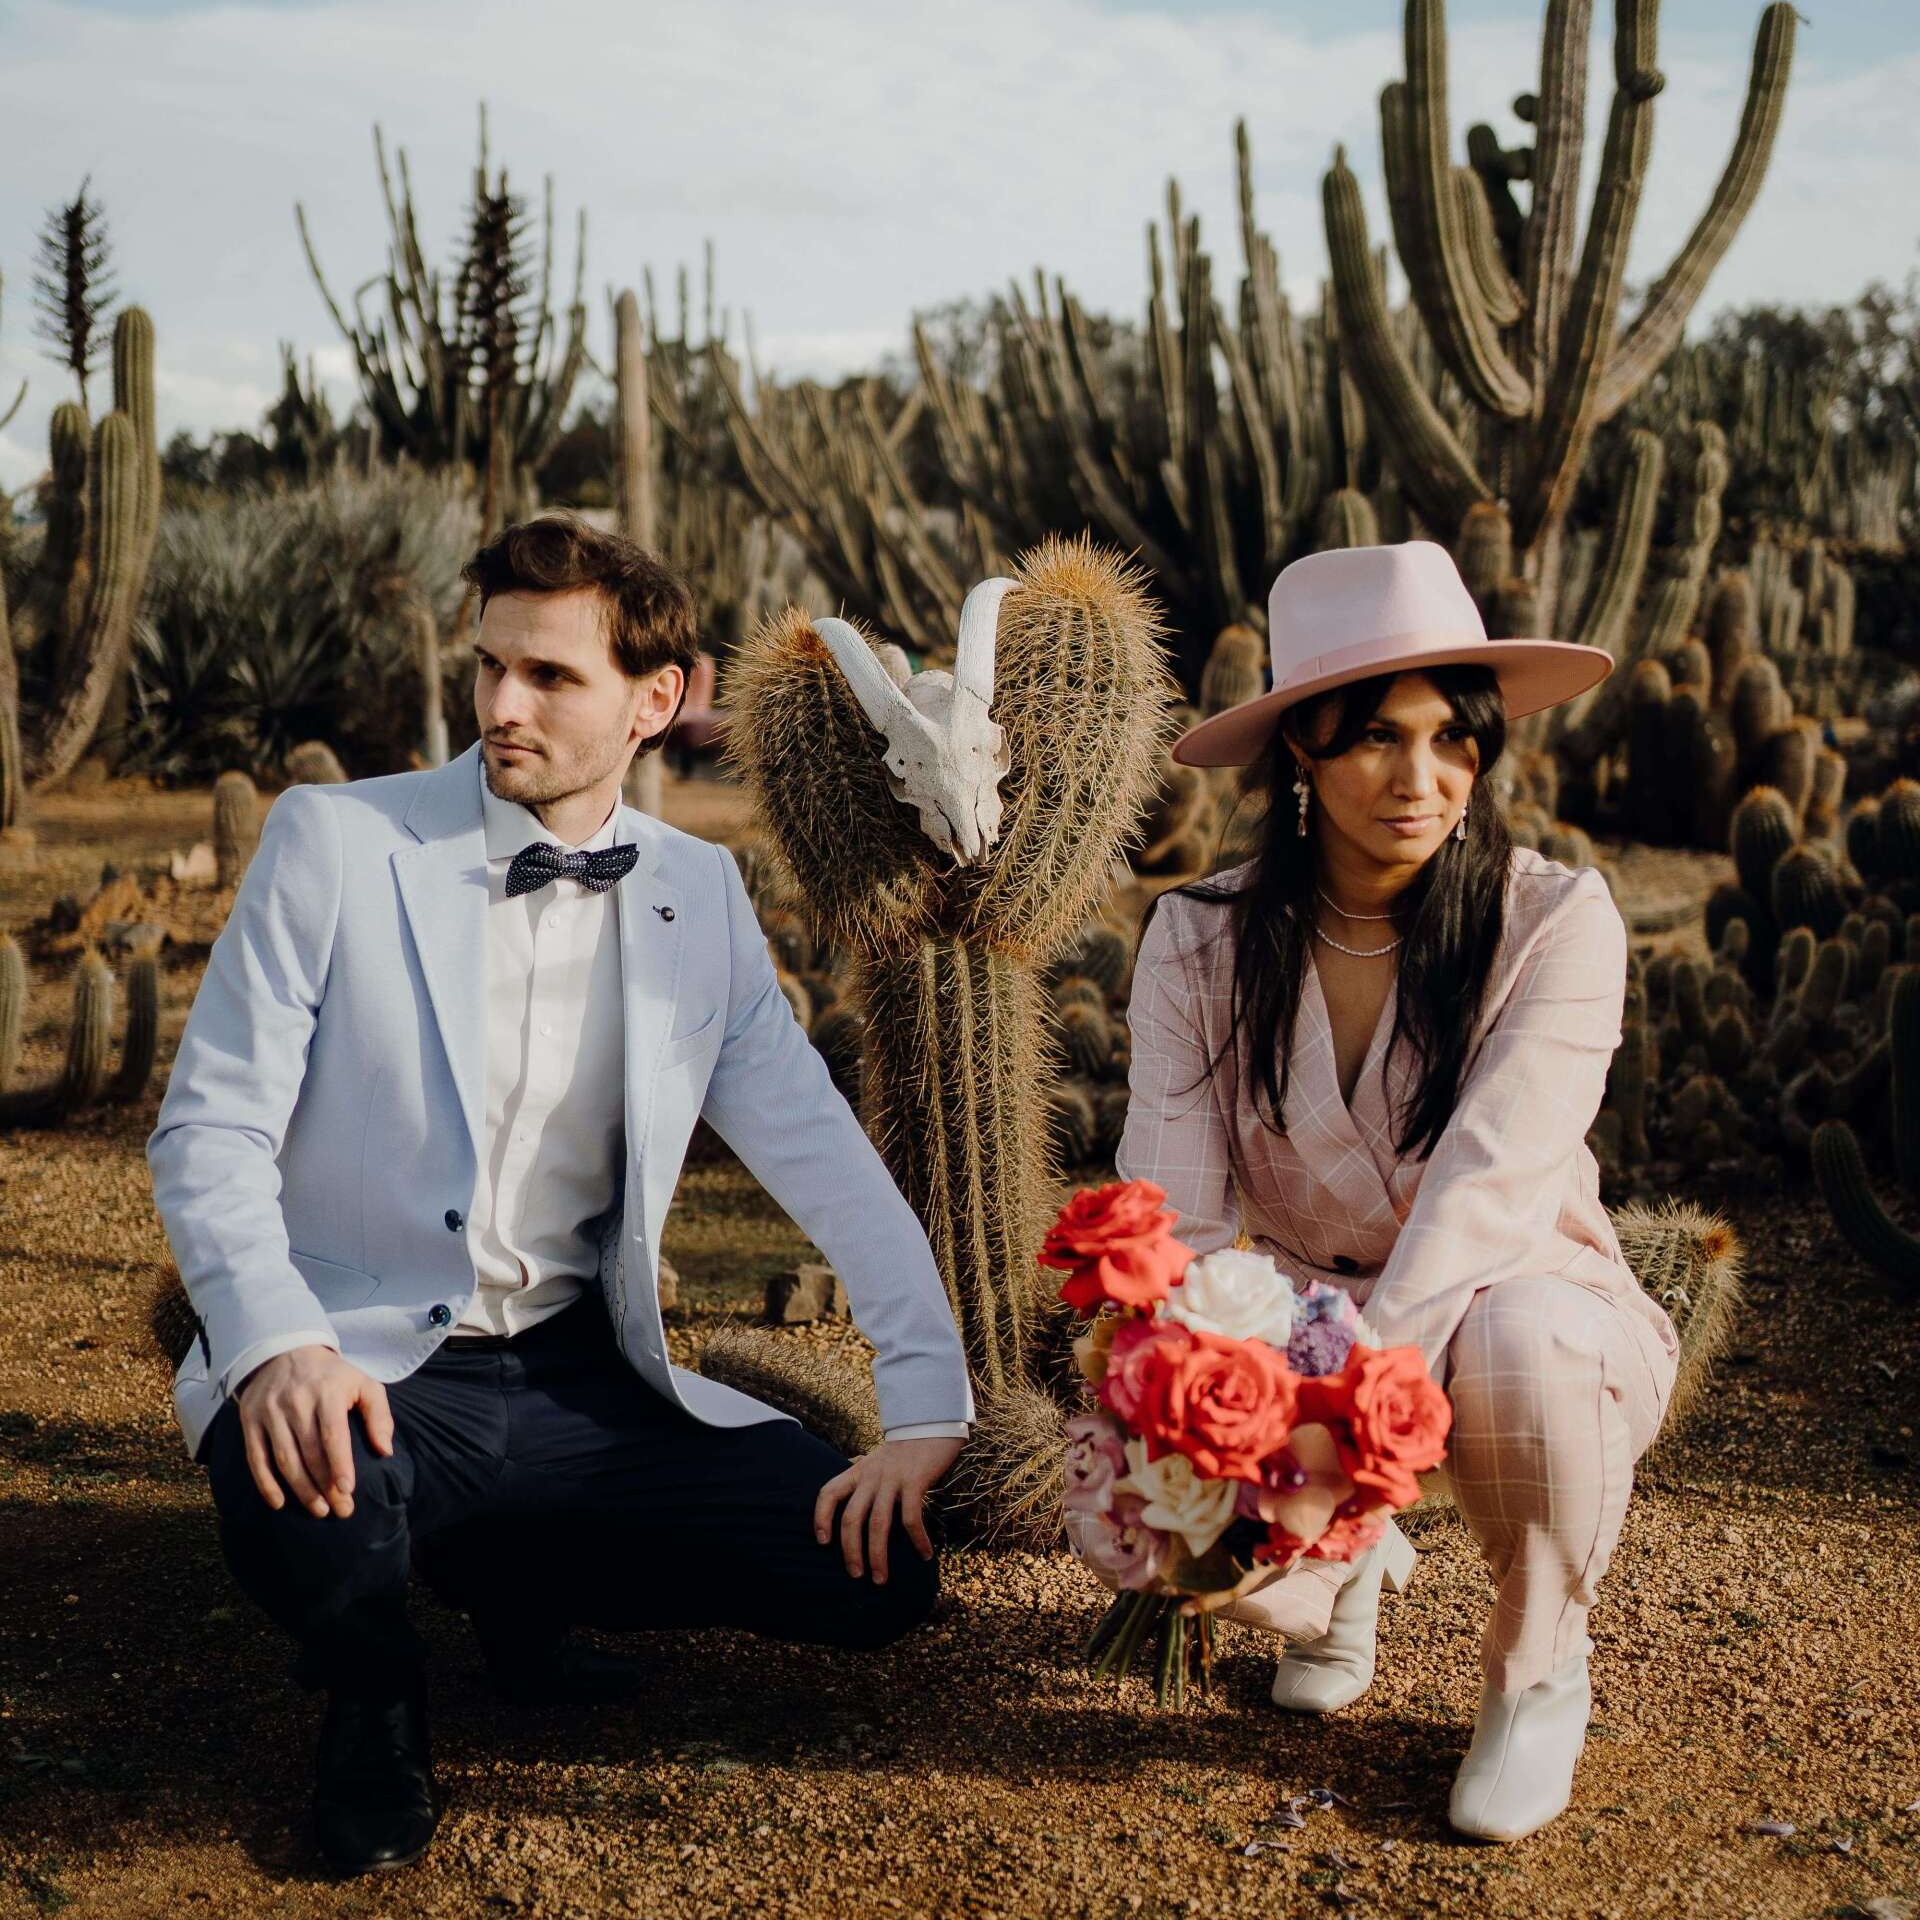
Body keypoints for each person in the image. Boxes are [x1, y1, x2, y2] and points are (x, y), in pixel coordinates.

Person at [147, 515, 973, 1876]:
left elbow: (818, 1149)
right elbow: (208, 1125)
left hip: (583, 1377)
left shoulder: (699, 894)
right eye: (491, 668)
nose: (504, 706)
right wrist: (280, 1347)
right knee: (319, 1510)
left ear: (657, 701)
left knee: (873, 1577)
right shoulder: (336, 841)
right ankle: (374, 1706)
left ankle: (507, 1572)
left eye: (551, 677)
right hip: (369, 1361)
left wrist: (930, 1399)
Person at [1116, 540, 1678, 1843]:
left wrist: (1332, 1456)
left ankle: (1538, 1672)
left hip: (1514, 1288)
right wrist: (1219, 1438)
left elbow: (1485, 1196)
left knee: (1523, 1352)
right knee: (1167, 1424)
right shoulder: (1202, 937)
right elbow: (1178, 1221)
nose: (1421, 780)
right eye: (1373, 736)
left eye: (1453, 737)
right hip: (1301, 1306)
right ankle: (1340, 1580)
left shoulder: (1555, 923)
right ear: (1300, 747)